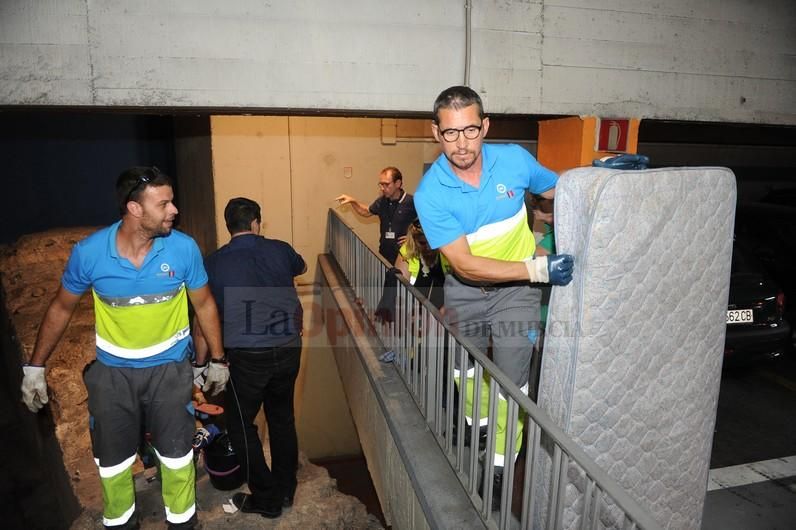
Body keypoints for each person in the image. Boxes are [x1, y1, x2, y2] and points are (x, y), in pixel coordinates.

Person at [19, 166, 229, 530]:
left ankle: (182, 522)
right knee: (112, 462)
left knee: (178, 456)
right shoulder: (90, 254)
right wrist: (35, 367)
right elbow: (61, 306)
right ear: (134, 209)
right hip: (113, 375)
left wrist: (217, 359)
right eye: (164, 203)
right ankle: (121, 522)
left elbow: (205, 304)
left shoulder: (183, 249)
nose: (174, 210)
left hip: (169, 372)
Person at [414, 86, 574, 493]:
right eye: (450, 133)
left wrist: (604, 182)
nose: (462, 143)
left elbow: (561, 190)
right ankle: (478, 422)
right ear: (436, 133)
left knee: (512, 379)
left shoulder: (516, 160)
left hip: (516, 292)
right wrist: (539, 268)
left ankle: (502, 461)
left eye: (470, 130)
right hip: (465, 288)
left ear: (485, 126)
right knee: (462, 368)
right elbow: (466, 264)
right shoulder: (430, 193)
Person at [197, 197, 307, 520]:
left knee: (241, 424)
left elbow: (204, 319)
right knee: (282, 418)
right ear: (257, 222)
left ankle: (267, 497)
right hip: (288, 349)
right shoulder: (281, 249)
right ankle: (286, 490)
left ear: (228, 226)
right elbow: (299, 268)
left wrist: (199, 365)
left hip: (246, 358)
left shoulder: (213, 264)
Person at [335, 166, 416, 265]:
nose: (382, 188)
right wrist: (353, 201)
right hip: (385, 254)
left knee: (401, 280)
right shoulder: (382, 201)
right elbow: (366, 212)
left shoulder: (411, 202)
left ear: (398, 183)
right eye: (381, 184)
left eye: (386, 184)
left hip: (405, 256)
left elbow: (428, 224)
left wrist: (413, 238)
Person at [394, 218, 449, 310]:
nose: (428, 247)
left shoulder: (448, 251)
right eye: (422, 243)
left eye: (432, 242)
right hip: (413, 308)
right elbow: (400, 289)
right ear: (414, 240)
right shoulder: (406, 252)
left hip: (442, 310)